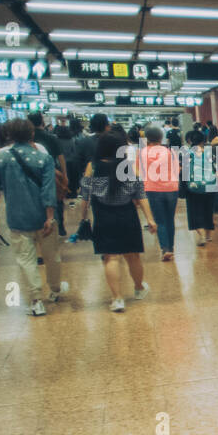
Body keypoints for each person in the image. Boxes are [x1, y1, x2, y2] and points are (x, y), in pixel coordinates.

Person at [0, 118, 65, 316]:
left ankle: (36, 300)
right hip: (43, 216)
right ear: (32, 134)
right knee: (52, 256)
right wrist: (50, 216)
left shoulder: (0, 159)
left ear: (9, 135)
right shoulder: (43, 158)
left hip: (17, 217)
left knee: (26, 259)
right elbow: (48, 190)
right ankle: (55, 289)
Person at [76, 131, 155, 312]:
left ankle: (117, 298)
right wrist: (150, 219)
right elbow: (140, 195)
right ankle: (139, 288)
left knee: (110, 257)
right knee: (133, 255)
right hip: (127, 215)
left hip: (103, 217)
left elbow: (84, 197)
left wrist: (83, 217)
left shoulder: (92, 167)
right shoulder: (129, 166)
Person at [138, 125, 180, 261]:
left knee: (160, 221)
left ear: (146, 138)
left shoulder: (143, 152)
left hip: (152, 189)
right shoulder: (170, 152)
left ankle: (165, 249)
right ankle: (171, 248)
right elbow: (177, 169)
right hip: (171, 189)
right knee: (170, 220)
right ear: (161, 138)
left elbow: (138, 171)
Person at [29, 112, 69, 236]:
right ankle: (60, 225)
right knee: (57, 197)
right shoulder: (51, 137)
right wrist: (64, 174)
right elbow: (60, 156)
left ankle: (41, 223)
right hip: (52, 171)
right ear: (42, 121)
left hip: (32, 172)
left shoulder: (29, 139)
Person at [182, 128, 218, 245]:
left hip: (194, 187)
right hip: (210, 186)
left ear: (190, 140)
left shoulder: (187, 153)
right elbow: (216, 168)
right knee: (208, 211)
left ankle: (202, 236)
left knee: (194, 212)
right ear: (203, 140)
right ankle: (208, 235)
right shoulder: (210, 153)